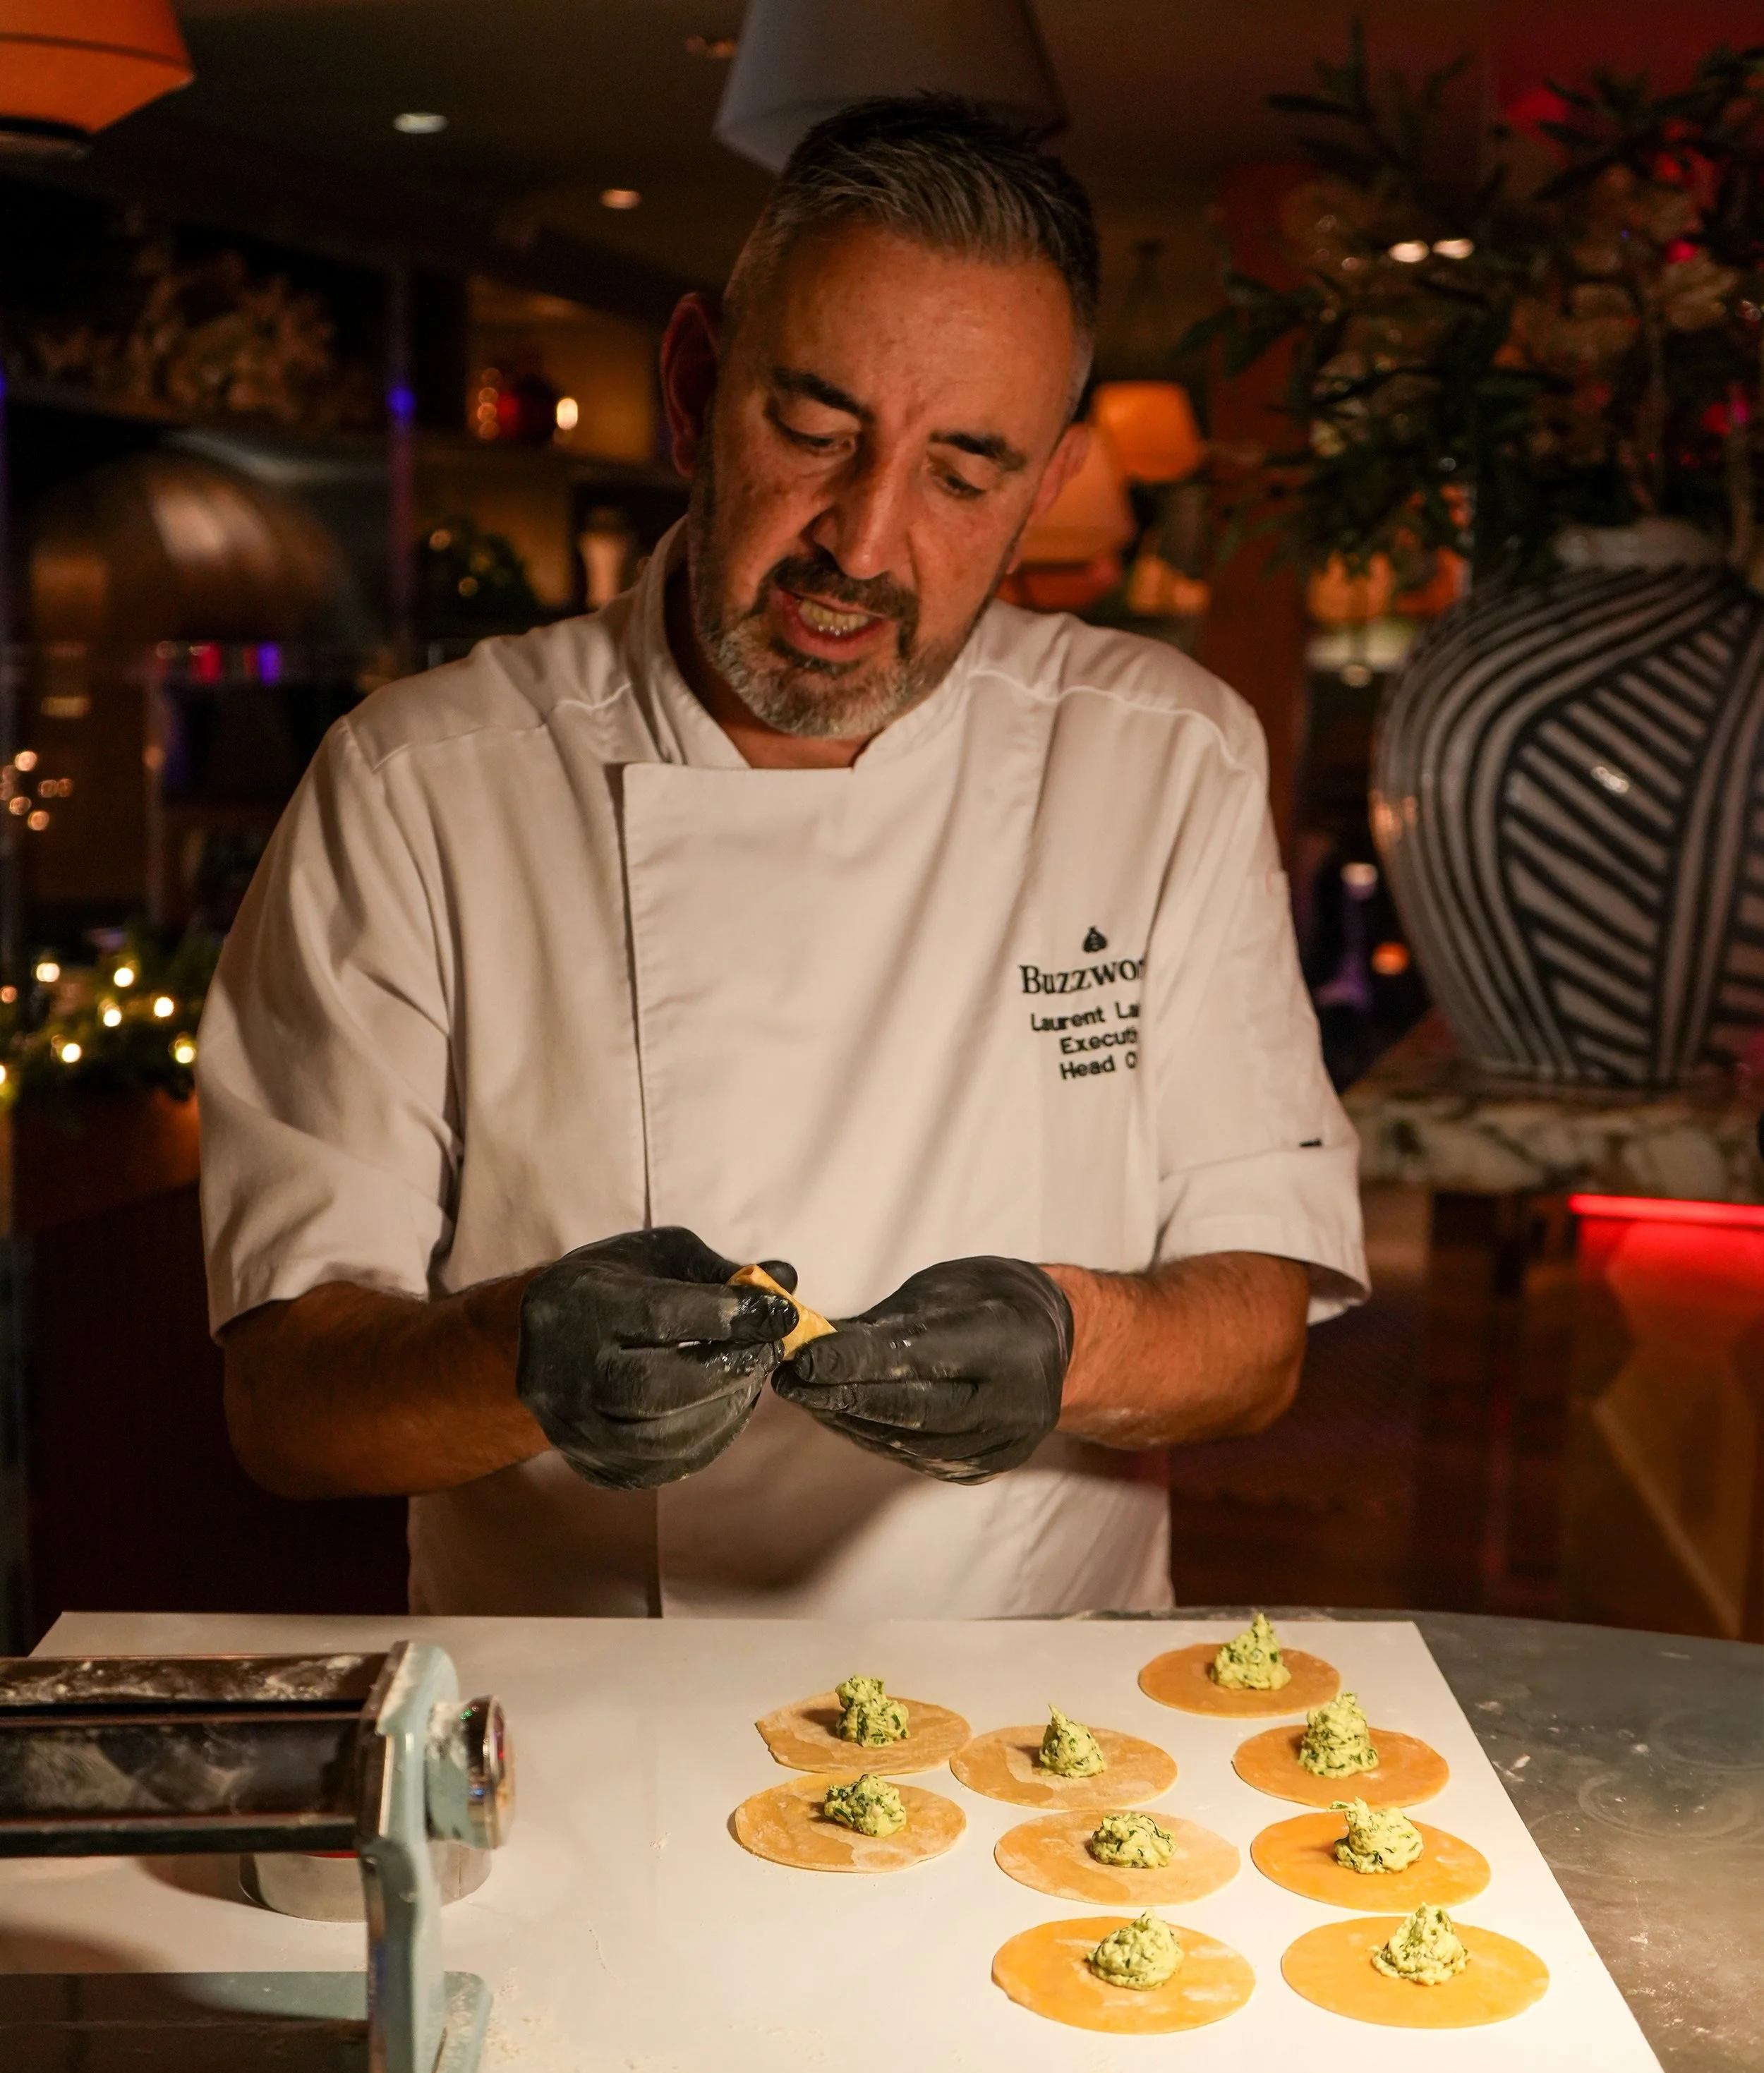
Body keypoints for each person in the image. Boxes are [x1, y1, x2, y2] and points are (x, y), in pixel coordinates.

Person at [200, 95, 1366, 1619]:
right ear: (694, 387)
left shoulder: (1160, 757)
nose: (865, 542)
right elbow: (286, 1404)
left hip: (1033, 1725)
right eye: (812, 433)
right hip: (571, 1718)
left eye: (962, 473)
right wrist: (521, 1354)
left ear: (1049, 480)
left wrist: (1070, 1347)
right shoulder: (420, 782)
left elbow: (1256, 1325)